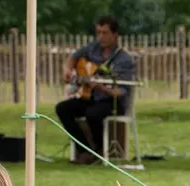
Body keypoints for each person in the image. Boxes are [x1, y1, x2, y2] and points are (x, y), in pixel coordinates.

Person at [56, 15, 136, 164]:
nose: (101, 37)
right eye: (98, 32)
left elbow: (122, 91)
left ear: (115, 34)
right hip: (92, 97)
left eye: (105, 33)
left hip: (112, 101)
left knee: (93, 113)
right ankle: (84, 150)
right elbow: (74, 57)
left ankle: (98, 151)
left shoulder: (124, 59)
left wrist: (102, 87)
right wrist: (67, 69)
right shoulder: (93, 48)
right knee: (63, 108)